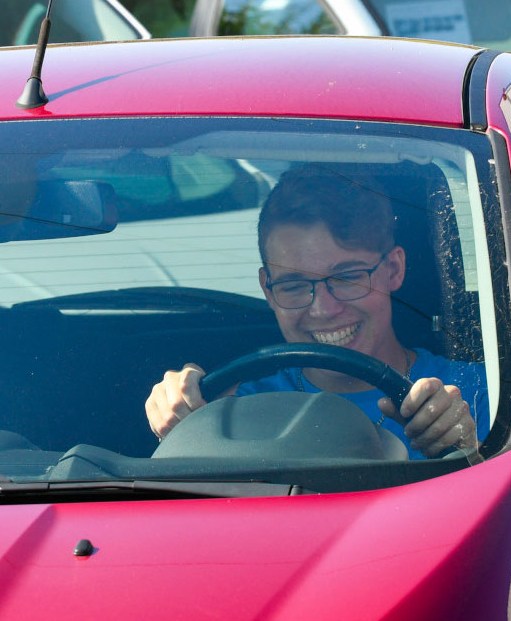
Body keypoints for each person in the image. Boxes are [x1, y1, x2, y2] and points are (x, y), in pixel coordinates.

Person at [145, 165, 488, 458]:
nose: (323, 309)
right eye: (294, 285)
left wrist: (468, 452)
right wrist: (180, 416)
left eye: (348, 277)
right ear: (268, 290)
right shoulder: (232, 414)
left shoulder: (482, 394)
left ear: (394, 269)